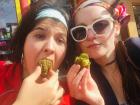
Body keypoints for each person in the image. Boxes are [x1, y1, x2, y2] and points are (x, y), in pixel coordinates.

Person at [0, 0, 75, 105]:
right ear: (23, 42)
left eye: (60, 40)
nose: (50, 47)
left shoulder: (71, 95)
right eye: (40, 36)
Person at [67, 0, 140, 105]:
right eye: (81, 31)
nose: (90, 36)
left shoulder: (135, 49)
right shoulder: (85, 83)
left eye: (100, 25)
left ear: (116, 28)